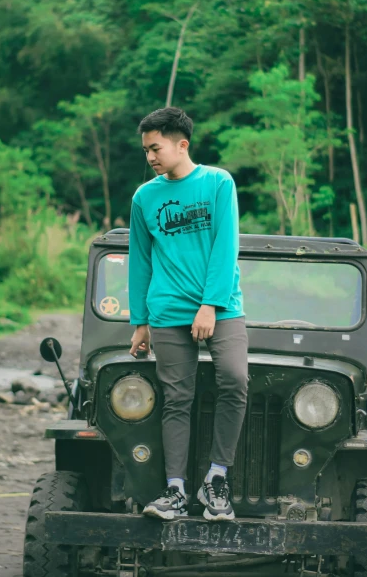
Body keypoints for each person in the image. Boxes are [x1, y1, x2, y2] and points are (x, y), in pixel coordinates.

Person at [128, 107, 248, 522]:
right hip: (166, 312)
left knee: (234, 378)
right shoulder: (144, 197)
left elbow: (225, 245)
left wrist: (210, 305)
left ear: (182, 144)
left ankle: (216, 480)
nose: (150, 157)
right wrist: (140, 321)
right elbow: (140, 261)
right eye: (145, 151)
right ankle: (175, 490)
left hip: (222, 307)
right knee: (177, 398)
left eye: (155, 148)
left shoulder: (217, 183)